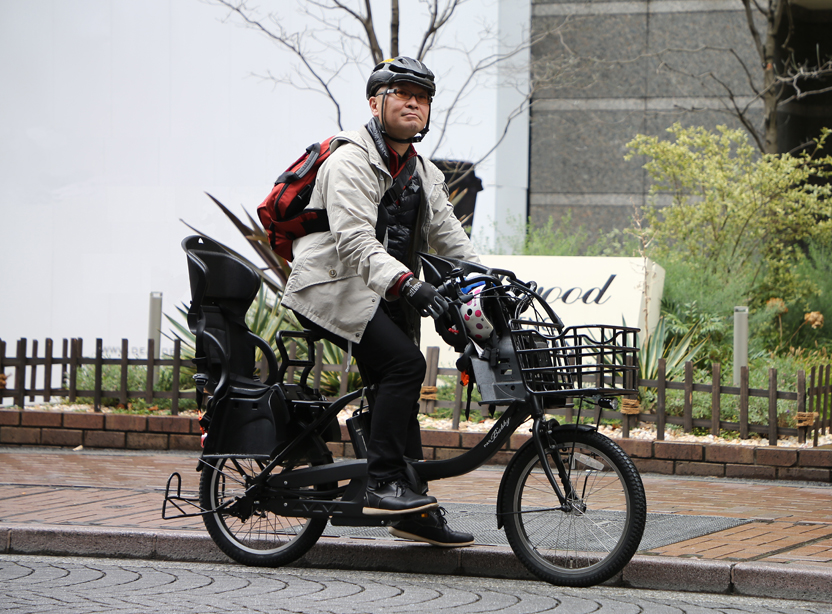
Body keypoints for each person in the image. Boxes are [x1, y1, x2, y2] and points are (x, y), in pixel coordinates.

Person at [279, 56, 480, 547]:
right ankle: (384, 481)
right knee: (404, 367)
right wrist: (411, 284)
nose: (414, 102)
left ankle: (411, 507)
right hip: (331, 288)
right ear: (375, 102)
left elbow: (451, 236)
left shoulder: (421, 171)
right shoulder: (350, 160)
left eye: (423, 97)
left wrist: (493, 279)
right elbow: (353, 243)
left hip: (382, 293)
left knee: (400, 390)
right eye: (402, 93)